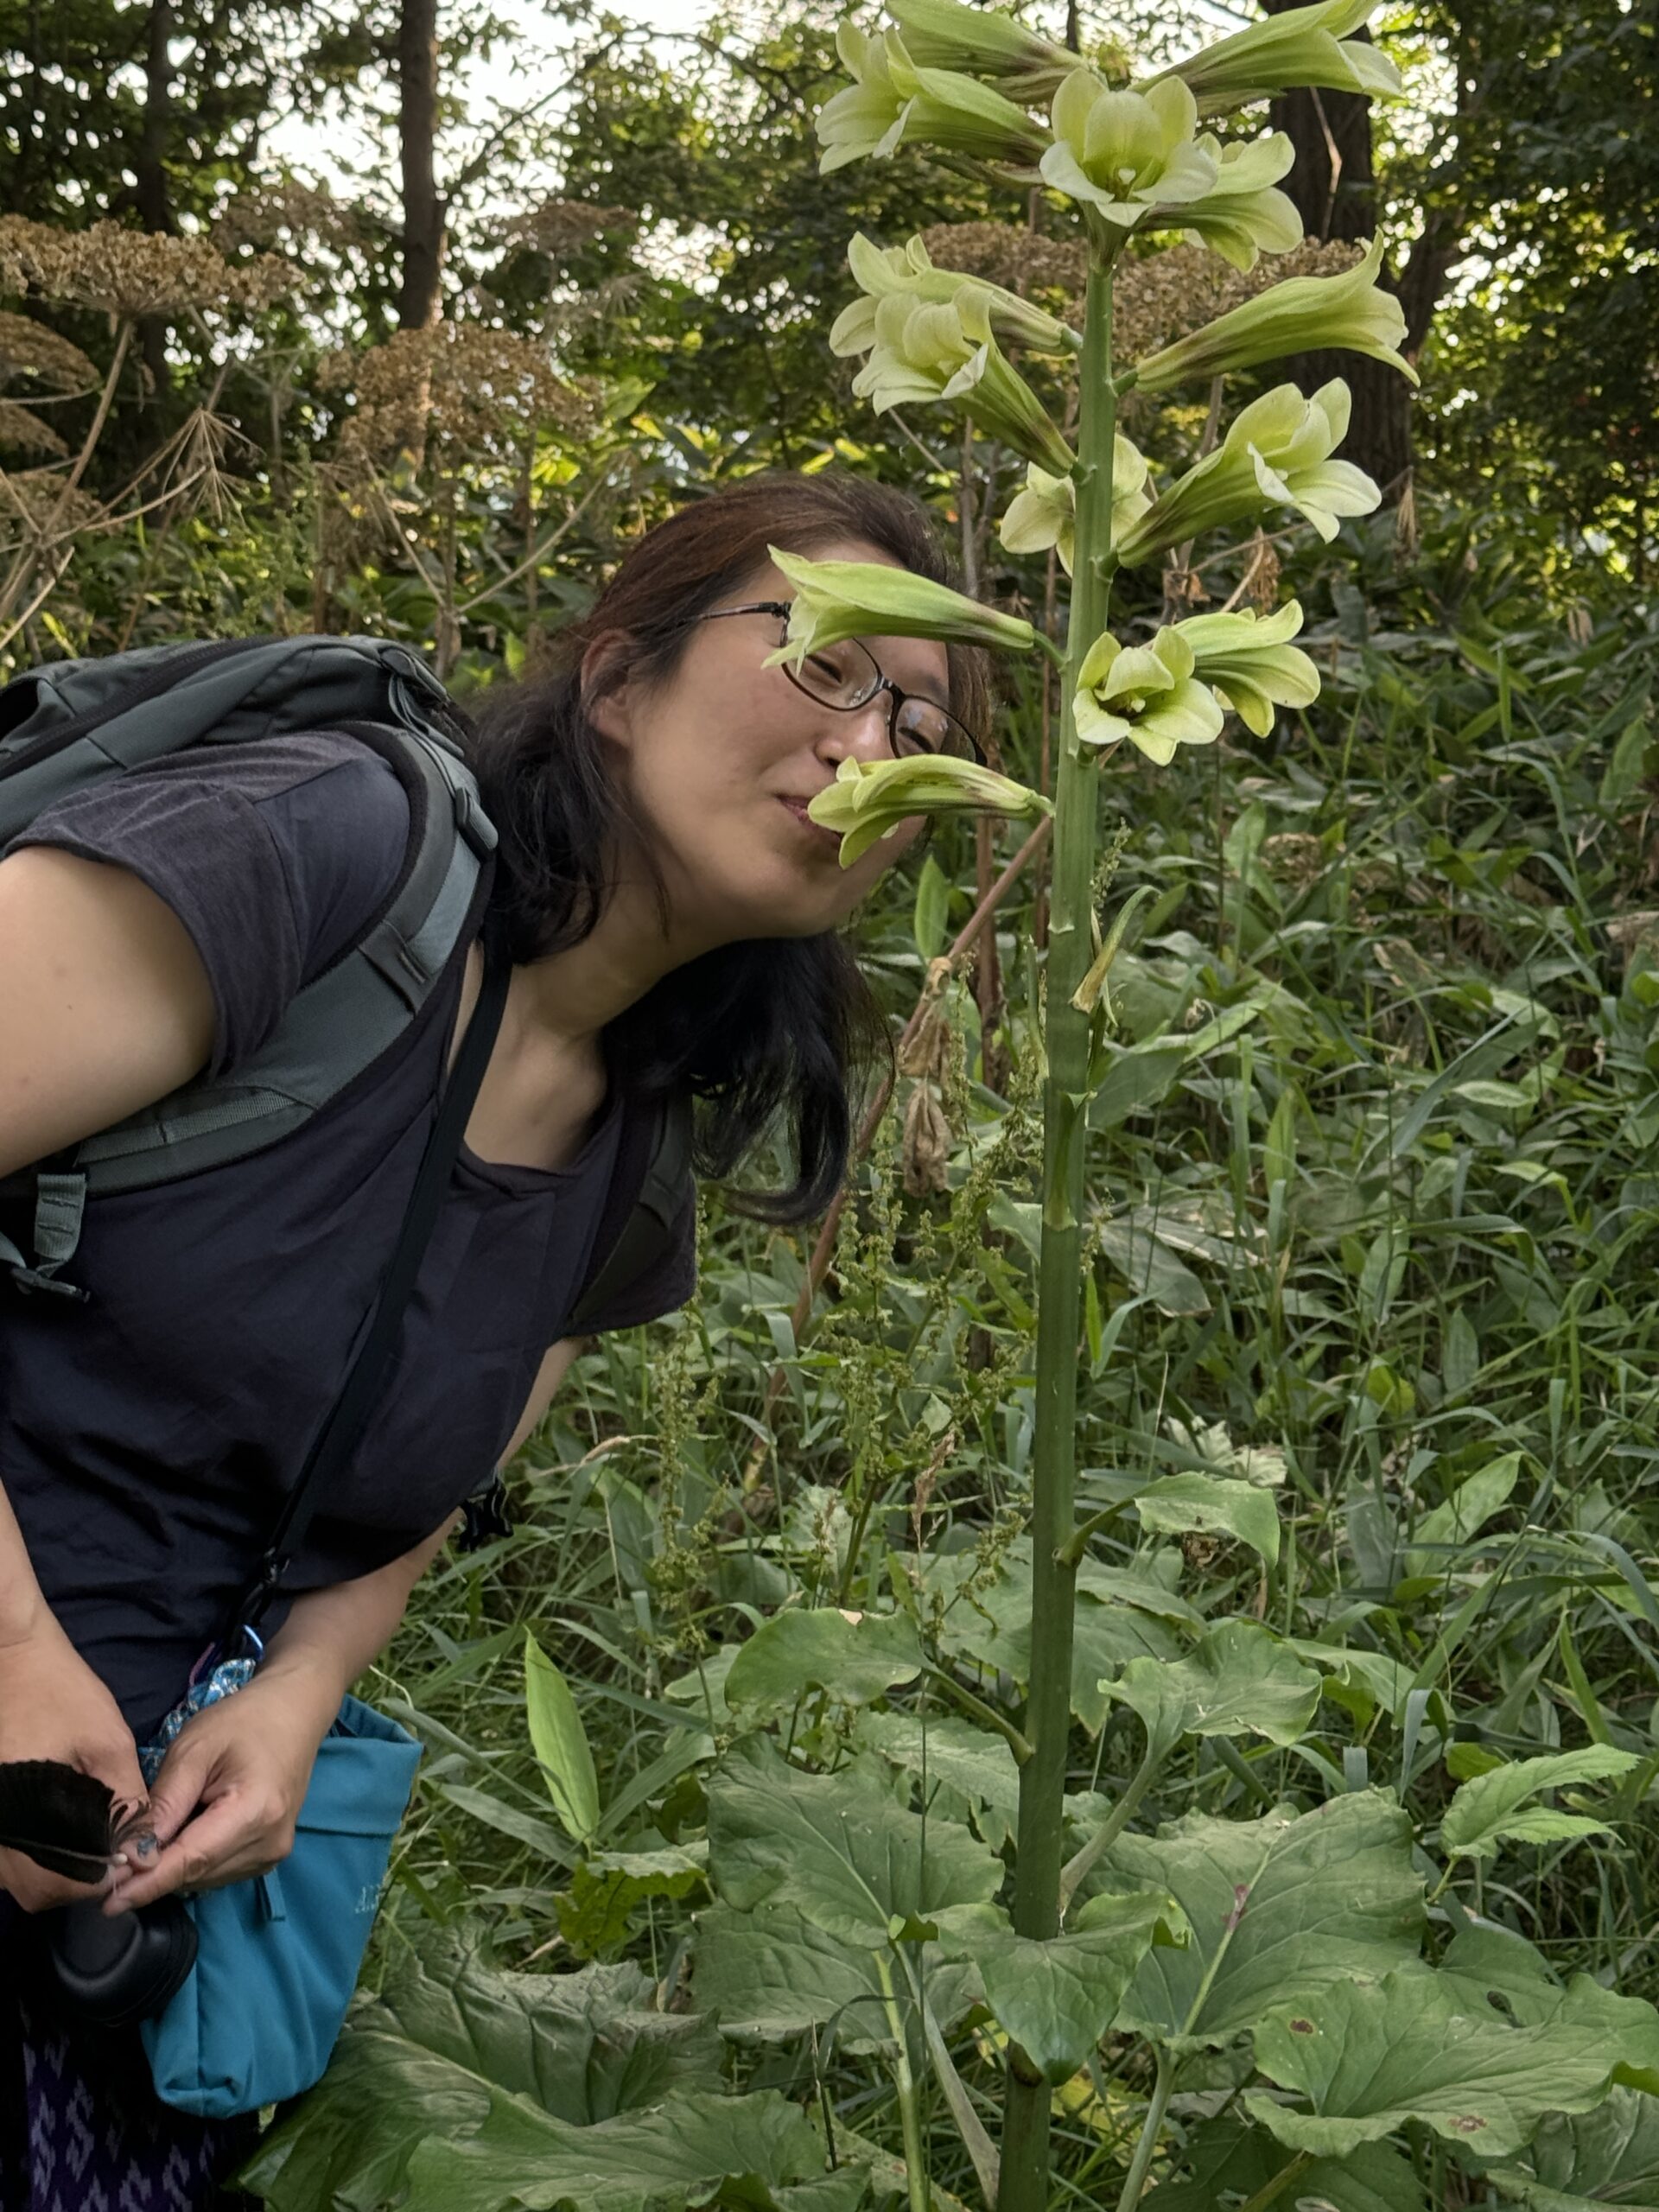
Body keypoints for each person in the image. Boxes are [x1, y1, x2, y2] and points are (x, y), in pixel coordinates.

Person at [0, 469, 990, 2209]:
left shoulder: (635, 1139)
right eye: (827, 663)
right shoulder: (331, 844)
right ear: (616, 677)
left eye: (925, 716)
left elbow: (420, 1482)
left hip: (104, 1930)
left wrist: (301, 1692)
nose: (876, 748)